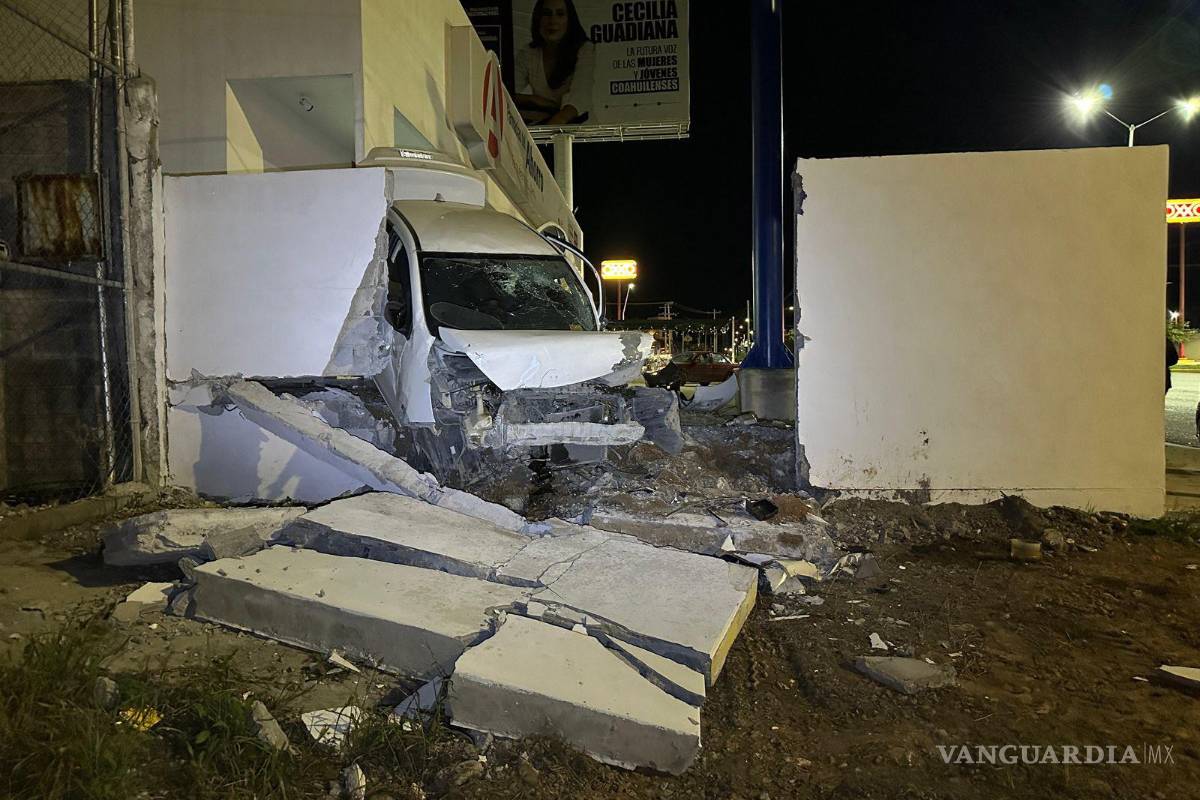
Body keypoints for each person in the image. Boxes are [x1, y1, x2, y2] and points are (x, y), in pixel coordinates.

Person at [514, 0, 595, 126]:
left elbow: (577, 100)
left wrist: (546, 135)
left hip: (581, 133)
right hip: (546, 129)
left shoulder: (585, 49)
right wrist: (535, 100)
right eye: (547, 14)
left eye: (560, 14)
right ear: (538, 19)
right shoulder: (528, 53)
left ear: (570, 20)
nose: (552, 21)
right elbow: (506, 93)